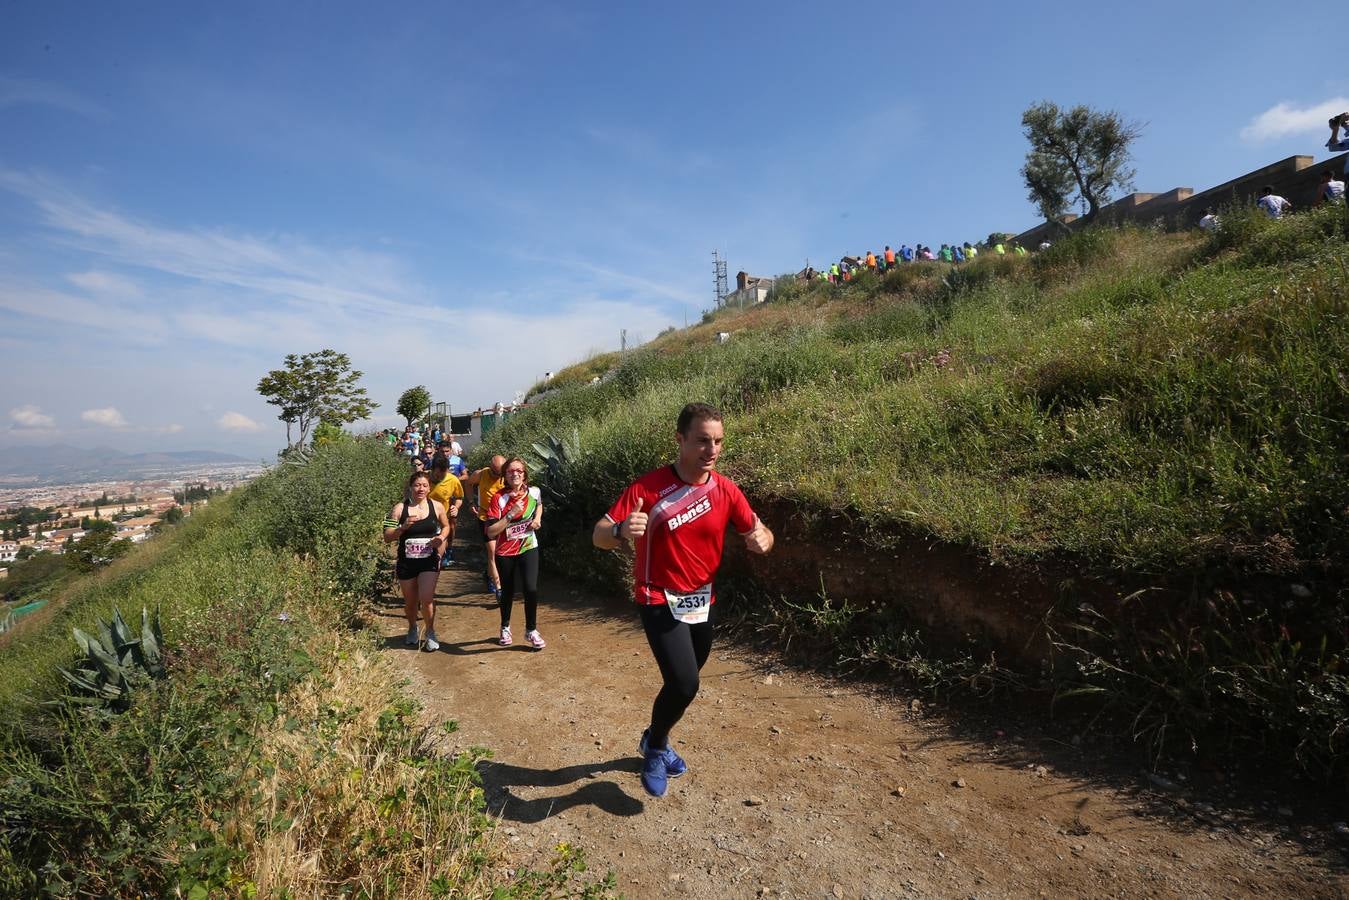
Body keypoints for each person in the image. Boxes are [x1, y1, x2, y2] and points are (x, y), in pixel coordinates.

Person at [592, 402, 775, 798]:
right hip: (657, 596)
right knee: (685, 681)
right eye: (702, 441)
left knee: (682, 683)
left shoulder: (725, 489)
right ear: (680, 440)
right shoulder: (648, 488)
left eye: (718, 442)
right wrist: (622, 529)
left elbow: (759, 531)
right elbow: (599, 534)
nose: (711, 450)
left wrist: (764, 539)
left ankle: (653, 737)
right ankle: (657, 748)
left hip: (701, 602)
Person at [384, 470, 449, 652]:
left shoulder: (437, 507)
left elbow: (446, 526)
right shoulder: (398, 509)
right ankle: (412, 627)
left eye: (425, 485)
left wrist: (441, 538)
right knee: (410, 601)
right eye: (417, 485)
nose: (421, 489)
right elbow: (387, 537)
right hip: (407, 562)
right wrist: (402, 528)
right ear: (411, 487)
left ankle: (430, 632)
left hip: (428, 560)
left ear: (429, 488)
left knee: (427, 598)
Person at [485, 457, 546, 650]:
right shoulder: (499, 498)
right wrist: (510, 514)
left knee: (531, 588)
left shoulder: (534, 492)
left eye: (519, 470)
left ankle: (531, 630)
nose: (515, 474)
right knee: (508, 591)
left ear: (524, 473)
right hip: (505, 551)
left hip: (529, 546)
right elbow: (491, 531)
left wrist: (537, 519)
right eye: (510, 471)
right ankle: (505, 627)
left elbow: (539, 505)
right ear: (505, 475)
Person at [463, 455, 506, 599]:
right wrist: (470, 502)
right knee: (492, 552)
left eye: (500, 473)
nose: (497, 476)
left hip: (505, 519)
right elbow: (468, 484)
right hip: (486, 517)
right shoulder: (480, 474)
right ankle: (499, 588)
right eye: (495, 472)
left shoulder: (509, 476)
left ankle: (489, 575)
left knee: (503, 552)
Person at [428, 456, 464, 567]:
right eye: (437, 475)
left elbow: (459, 497)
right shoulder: (423, 478)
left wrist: (456, 507)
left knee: (449, 530)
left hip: (444, 516)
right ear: (432, 469)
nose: (440, 477)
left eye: (443, 475)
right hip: (425, 515)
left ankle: (447, 551)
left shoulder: (453, 480)